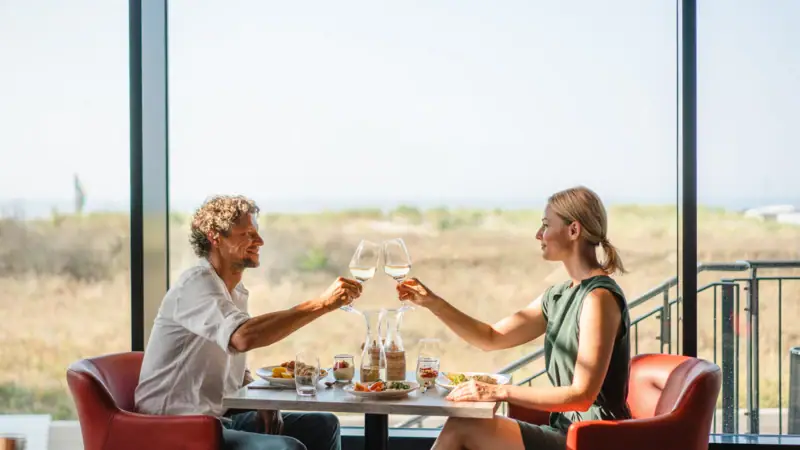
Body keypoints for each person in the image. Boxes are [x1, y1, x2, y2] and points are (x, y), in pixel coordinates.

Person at [397, 186, 632, 450]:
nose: (538, 234)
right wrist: (433, 303)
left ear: (573, 230)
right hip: (564, 431)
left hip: (595, 438)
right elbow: (491, 338)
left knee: (462, 426)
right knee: (462, 424)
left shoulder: (598, 298)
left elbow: (582, 395)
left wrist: (498, 391)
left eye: (546, 225)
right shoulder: (558, 296)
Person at [135, 195, 362, 450]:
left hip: (218, 419)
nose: (260, 241)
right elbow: (242, 338)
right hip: (174, 426)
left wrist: (260, 401)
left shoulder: (234, 291)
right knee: (288, 447)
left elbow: (231, 365)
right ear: (215, 237)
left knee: (324, 425)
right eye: (247, 234)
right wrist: (322, 303)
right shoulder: (196, 284)